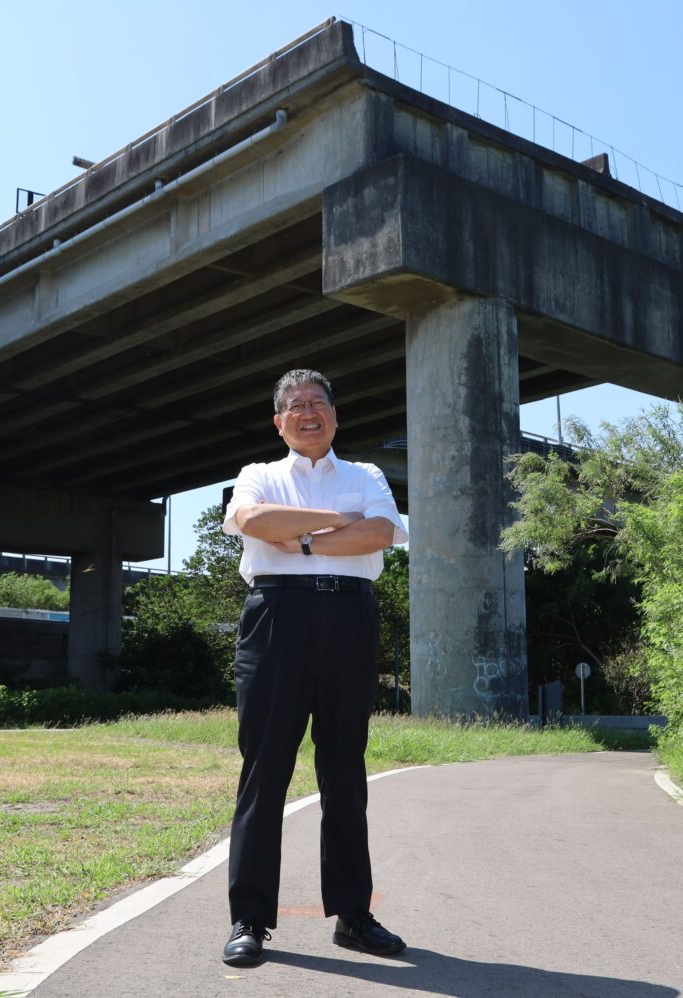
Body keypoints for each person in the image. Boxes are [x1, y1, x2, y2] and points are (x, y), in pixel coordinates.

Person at [219, 369, 409, 967]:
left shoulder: (366, 475)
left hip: (350, 620)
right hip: (276, 617)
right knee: (265, 771)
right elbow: (253, 523)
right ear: (279, 422)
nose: (307, 413)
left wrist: (297, 535)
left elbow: (380, 533)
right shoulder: (258, 475)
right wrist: (334, 528)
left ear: (334, 415)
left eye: (317, 403)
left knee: (344, 773)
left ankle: (353, 915)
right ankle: (249, 919)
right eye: (295, 406)